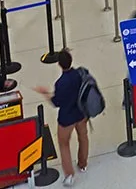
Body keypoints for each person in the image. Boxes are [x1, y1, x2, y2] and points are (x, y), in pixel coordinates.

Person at [33, 50, 88, 186]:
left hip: (66, 118)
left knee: (64, 144)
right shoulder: (79, 74)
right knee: (83, 137)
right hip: (81, 113)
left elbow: (56, 102)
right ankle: (83, 163)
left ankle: (69, 174)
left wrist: (45, 93)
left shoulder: (61, 83)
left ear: (59, 64)